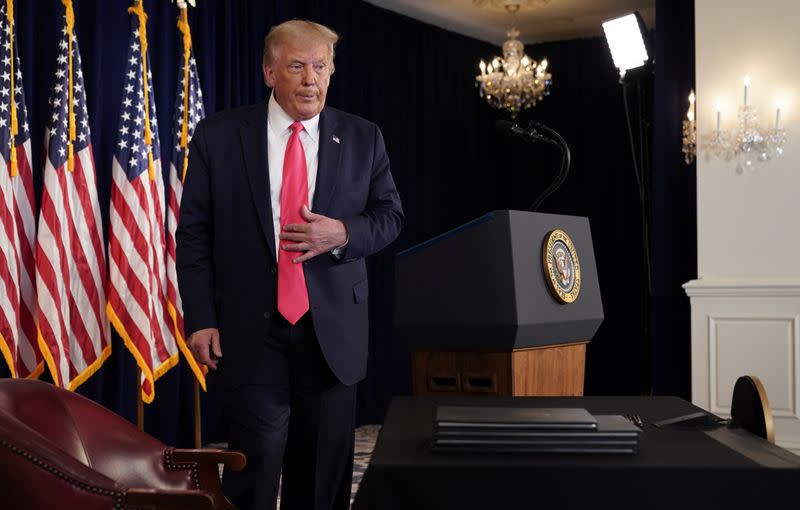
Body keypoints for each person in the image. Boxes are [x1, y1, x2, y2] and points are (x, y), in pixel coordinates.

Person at [176, 19, 404, 510]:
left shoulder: (363, 138)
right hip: (250, 329)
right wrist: (200, 319)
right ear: (268, 71)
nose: (310, 79)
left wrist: (342, 233)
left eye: (321, 67)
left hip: (332, 333)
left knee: (322, 472)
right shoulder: (219, 137)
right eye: (297, 66)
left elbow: (390, 218)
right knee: (255, 462)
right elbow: (194, 234)